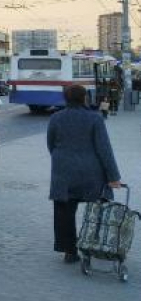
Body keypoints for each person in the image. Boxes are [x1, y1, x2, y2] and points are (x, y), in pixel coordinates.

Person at [47, 84, 122, 263]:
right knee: (97, 208)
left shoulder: (56, 118)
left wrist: (62, 159)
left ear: (66, 99)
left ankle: (69, 251)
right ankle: (93, 244)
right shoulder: (95, 118)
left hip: (63, 172)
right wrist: (113, 177)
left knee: (64, 211)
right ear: (84, 98)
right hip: (91, 173)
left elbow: (51, 144)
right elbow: (104, 149)